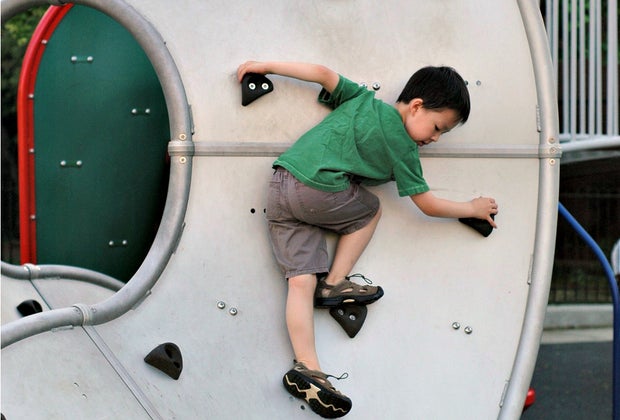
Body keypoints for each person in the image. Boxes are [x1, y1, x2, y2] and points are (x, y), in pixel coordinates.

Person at [237, 61, 499, 418]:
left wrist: (266, 66)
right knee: (369, 210)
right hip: (318, 191)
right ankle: (334, 283)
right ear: (417, 106)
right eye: (438, 128)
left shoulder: (361, 98)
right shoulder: (404, 146)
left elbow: (322, 73)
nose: (434, 139)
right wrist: (470, 207)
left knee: (299, 281)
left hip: (281, 187)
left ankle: (307, 369)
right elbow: (427, 205)